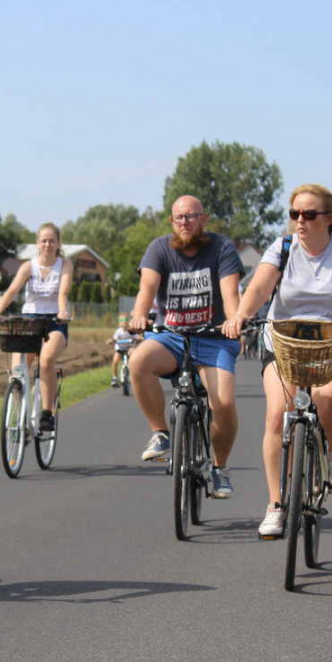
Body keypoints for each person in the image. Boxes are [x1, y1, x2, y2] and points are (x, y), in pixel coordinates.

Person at [222, 183, 332, 537]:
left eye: (309, 214)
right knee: (278, 413)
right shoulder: (283, 247)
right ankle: (276, 504)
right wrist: (241, 316)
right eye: (295, 214)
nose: (300, 221)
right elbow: (259, 288)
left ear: (330, 218)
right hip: (284, 339)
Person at [127, 195, 243, 498]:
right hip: (172, 337)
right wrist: (140, 314)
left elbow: (230, 293)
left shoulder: (221, 248)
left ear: (203, 219)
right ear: (172, 221)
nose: (185, 222)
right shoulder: (159, 248)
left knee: (224, 403)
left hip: (213, 336)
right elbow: (147, 288)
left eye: (192, 216)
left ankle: (219, 468)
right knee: (138, 362)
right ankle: (161, 434)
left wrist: (234, 320)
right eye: (180, 217)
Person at [0, 222, 73, 431]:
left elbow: (63, 293)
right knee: (18, 370)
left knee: (46, 361)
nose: (47, 244)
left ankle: (47, 413)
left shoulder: (65, 265)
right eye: (44, 240)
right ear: (37, 243)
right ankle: (19, 417)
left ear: (58, 243)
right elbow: (13, 290)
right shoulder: (28, 266)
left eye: (52, 240)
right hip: (29, 322)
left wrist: (62, 312)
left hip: (54, 321)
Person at [107, 316, 135, 386]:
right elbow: (114, 339)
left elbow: (137, 336)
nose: (124, 323)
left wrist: (140, 339)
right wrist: (111, 341)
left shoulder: (131, 330)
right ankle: (114, 378)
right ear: (120, 324)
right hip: (120, 349)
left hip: (129, 349)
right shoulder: (118, 331)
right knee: (115, 361)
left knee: (134, 362)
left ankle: (134, 377)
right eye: (122, 322)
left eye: (125, 321)